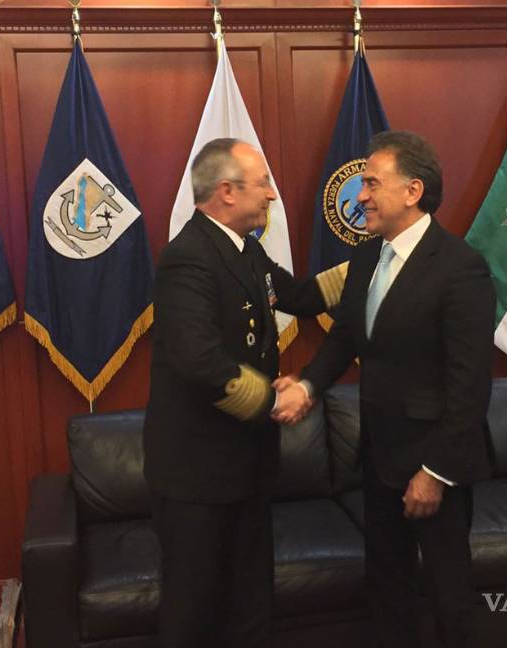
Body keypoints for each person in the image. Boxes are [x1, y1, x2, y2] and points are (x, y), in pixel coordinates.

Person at [275, 131, 495, 647]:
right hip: (378, 458)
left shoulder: (461, 267)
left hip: (433, 466)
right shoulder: (367, 257)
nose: (361, 196)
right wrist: (307, 385)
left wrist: (435, 473)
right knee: (387, 589)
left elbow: (469, 385)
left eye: (372, 183)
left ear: (413, 191)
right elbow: (345, 338)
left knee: (449, 595)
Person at [143, 138, 343, 648]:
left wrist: (372, 263)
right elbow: (200, 361)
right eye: (263, 184)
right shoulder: (188, 258)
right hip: (198, 475)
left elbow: (300, 297)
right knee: (195, 608)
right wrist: (275, 401)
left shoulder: (245, 249)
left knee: (251, 599)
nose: (272, 195)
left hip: (249, 465)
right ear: (227, 192)